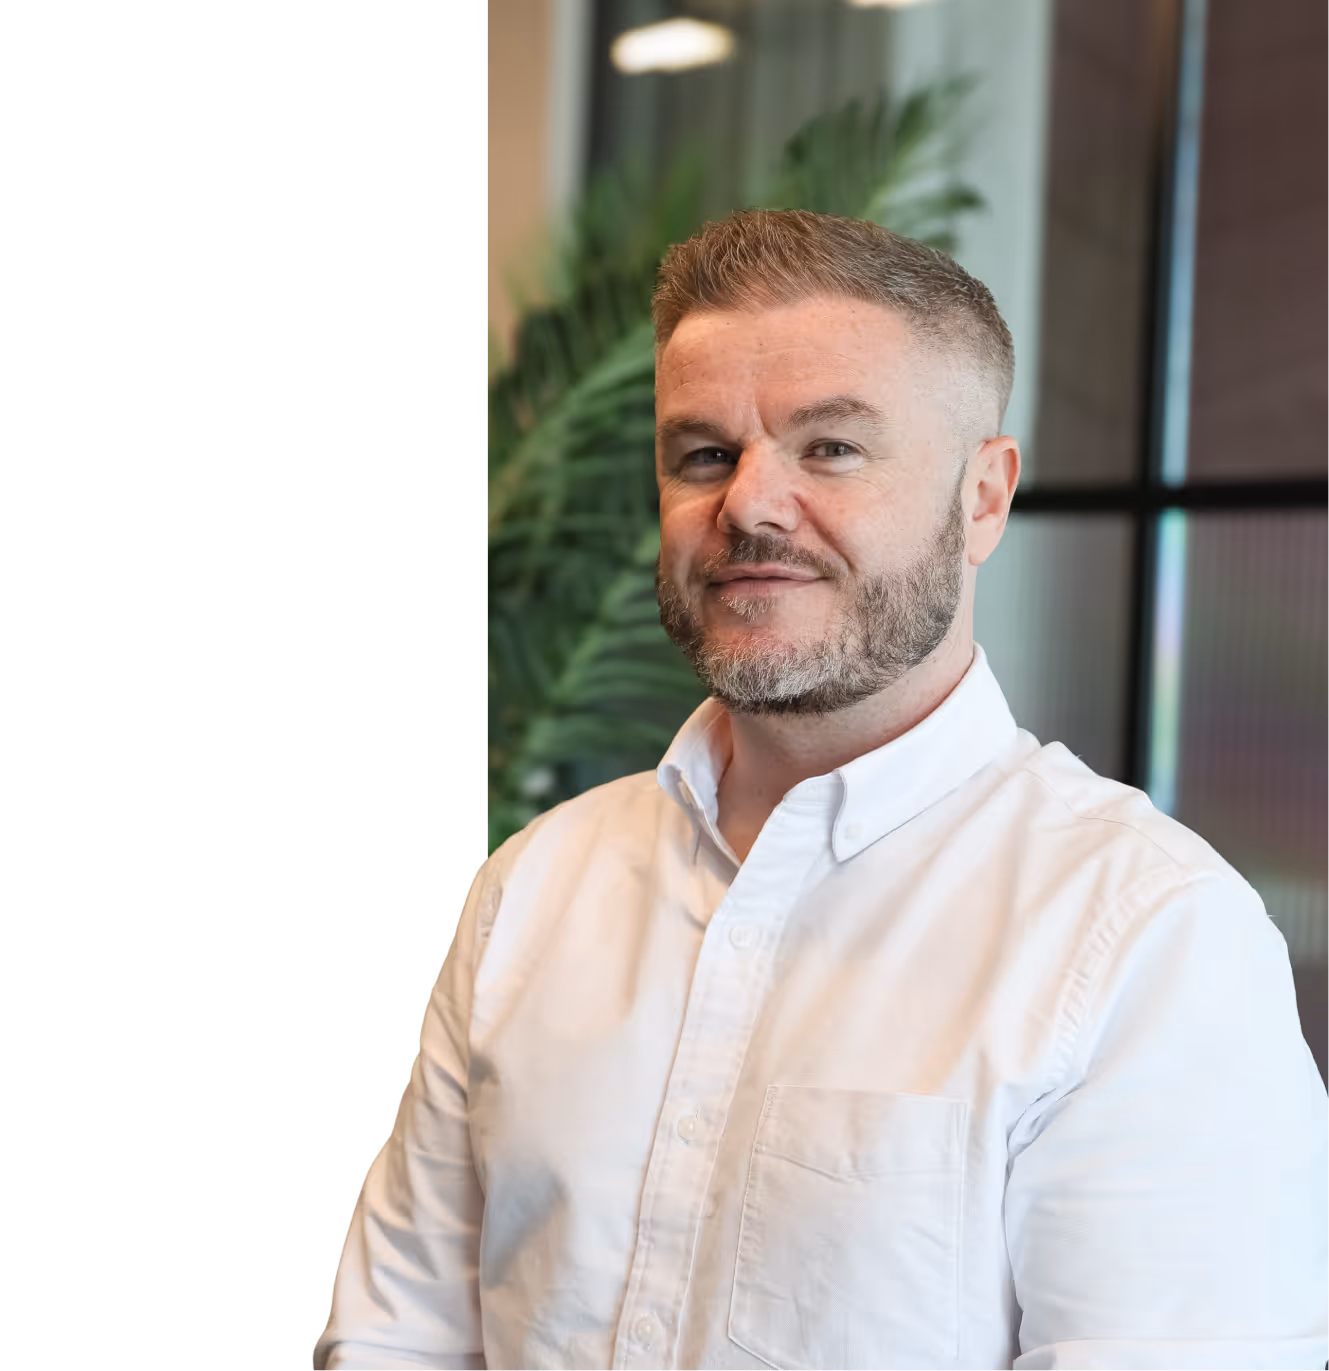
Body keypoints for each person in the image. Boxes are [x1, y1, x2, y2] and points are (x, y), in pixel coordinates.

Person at [315, 211, 1329, 1370]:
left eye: (831, 448)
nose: (749, 504)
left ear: (984, 497)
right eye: (702, 453)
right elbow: (398, 1337)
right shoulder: (529, 890)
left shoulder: (1150, 938)